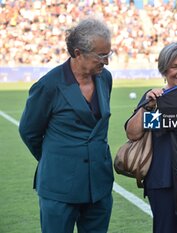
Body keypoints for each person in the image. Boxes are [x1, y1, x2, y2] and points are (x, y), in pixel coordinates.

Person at [19, 17, 114, 233]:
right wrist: (57, 159)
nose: (107, 61)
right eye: (101, 55)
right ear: (78, 52)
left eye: (109, 54)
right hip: (59, 188)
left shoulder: (105, 78)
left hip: (99, 186)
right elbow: (29, 132)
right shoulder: (48, 85)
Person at [125, 42, 177, 233]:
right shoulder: (157, 99)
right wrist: (147, 106)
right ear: (164, 70)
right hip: (163, 181)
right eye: (175, 66)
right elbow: (133, 133)